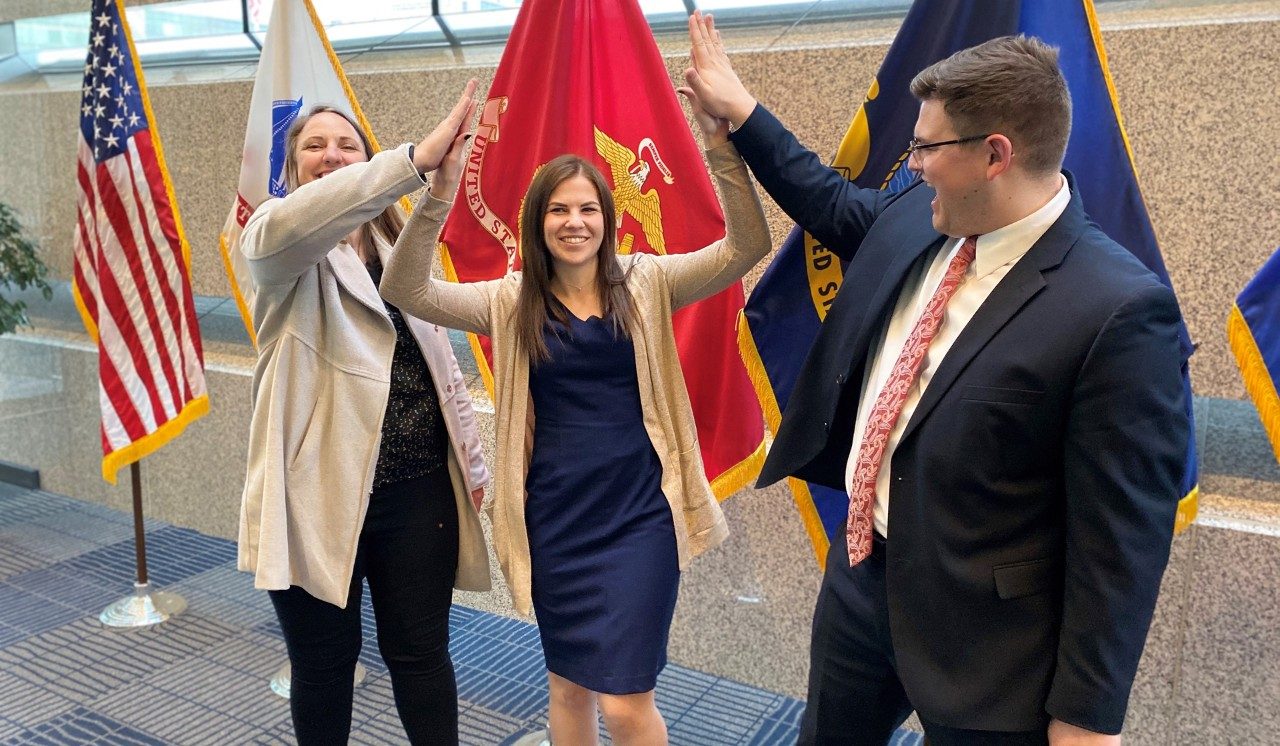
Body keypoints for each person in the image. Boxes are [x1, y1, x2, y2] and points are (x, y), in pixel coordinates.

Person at [682, 13, 1190, 746]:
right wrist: (743, 112)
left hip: (993, 644)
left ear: (995, 155)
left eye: (925, 146)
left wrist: (1086, 717)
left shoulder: (1118, 310)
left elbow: (1122, 540)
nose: (912, 162)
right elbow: (828, 200)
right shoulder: (922, 219)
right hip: (863, 583)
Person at [379, 91, 770, 745]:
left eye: (587, 208)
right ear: (538, 222)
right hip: (556, 518)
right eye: (558, 209)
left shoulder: (648, 282)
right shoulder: (511, 299)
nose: (574, 221)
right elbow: (405, 289)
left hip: (640, 514)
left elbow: (744, 248)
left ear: (608, 218)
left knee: (625, 702)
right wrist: (439, 195)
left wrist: (721, 147)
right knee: (568, 688)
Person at [236, 83, 491, 745]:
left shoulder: (399, 241)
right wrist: (414, 156)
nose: (332, 153)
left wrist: (473, 458)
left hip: (415, 490)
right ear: (290, 169)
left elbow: (439, 367)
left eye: (347, 143)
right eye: (314, 145)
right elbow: (290, 226)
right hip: (312, 496)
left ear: (367, 157)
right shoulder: (274, 241)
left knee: (421, 656)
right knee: (324, 665)